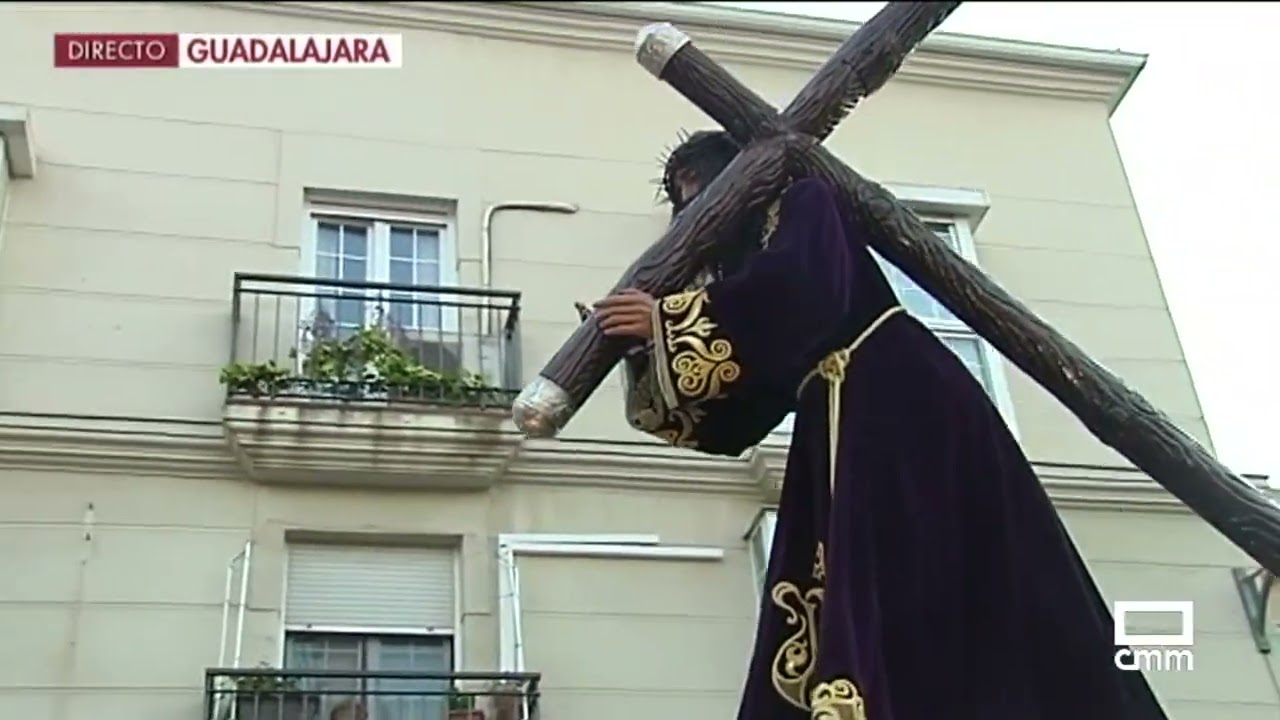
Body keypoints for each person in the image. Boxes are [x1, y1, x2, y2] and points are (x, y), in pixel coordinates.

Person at [592, 130, 1169, 719]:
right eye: (683, 199)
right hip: (835, 422)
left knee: (912, 583)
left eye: (700, 190)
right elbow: (741, 415)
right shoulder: (747, 275)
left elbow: (804, 291)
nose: (694, 211)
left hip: (900, 404)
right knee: (845, 601)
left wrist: (668, 319)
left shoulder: (804, 201)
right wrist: (651, 343)